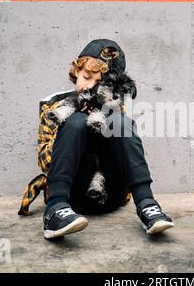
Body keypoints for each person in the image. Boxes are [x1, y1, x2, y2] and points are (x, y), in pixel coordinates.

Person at [18, 39, 174, 239]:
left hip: (111, 193)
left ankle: (147, 204)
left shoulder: (114, 109)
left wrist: (102, 123)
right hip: (71, 193)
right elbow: (44, 161)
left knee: (120, 122)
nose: (88, 87)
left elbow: (127, 157)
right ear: (76, 71)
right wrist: (76, 127)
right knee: (76, 122)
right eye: (86, 77)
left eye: (99, 83)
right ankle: (54, 211)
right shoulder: (53, 108)